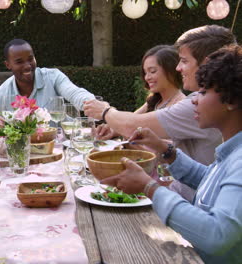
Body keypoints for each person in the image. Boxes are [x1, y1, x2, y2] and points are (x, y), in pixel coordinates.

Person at [101, 44, 242, 263]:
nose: (193, 99)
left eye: (203, 92)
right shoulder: (232, 149)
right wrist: (165, 150)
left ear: (231, 101)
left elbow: (217, 235)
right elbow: (209, 181)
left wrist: (149, 188)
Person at [84, 25, 237, 201]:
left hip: (185, 202)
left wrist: (104, 111)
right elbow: (209, 179)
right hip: (179, 196)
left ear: (208, 64)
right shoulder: (160, 101)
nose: (179, 68)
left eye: (184, 61)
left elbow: (214, 225)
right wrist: (164, 149)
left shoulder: (200, 104)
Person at [96, 45, 185, 139]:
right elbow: (130, 122)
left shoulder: (181, 105)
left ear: (171, 70)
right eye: (145, 72)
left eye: (153, 71)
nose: (147, 77)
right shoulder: (154, 101)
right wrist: (113, 130)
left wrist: (105, 111)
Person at [0, 39, 95, 111]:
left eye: (30, 59)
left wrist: (93, 104)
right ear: (8, 65)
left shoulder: (53, 77)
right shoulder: (2, 93)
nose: (27, 66)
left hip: (60, 139)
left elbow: (75, 93)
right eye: (19, 62)